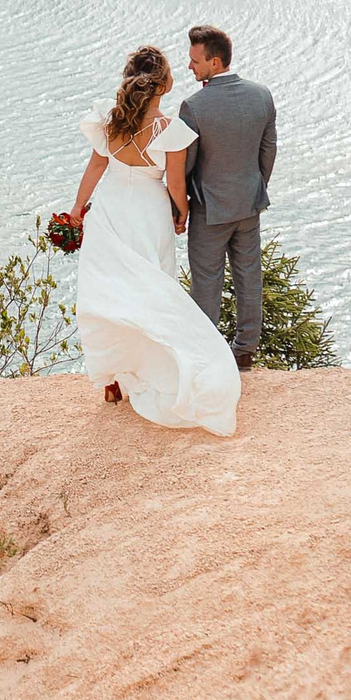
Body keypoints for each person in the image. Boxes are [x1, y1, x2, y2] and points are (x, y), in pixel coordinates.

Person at [65, 46, 242, 435]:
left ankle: (110, 379)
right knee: (153, 292)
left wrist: (78, 210)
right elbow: (176, 184)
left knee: (104, 295)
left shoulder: (109, 122)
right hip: (148, 215)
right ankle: (157, 369)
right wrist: (183, 212)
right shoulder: (169, 131)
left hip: (109, 211)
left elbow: (95, 167)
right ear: (165, 84)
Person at [178, 24, 278, 370]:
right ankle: (245, 350)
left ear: (215, 62)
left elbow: (186, 166)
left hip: (210, 210)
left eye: (195, 60)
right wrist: (255, 187)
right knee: (249, 275)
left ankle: (207, 353)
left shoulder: (193, 107)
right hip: (249, 204)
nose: (189, 66)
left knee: (207, 281)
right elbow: (268, 150)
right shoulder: (261, 95)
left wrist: (183, 208)